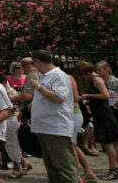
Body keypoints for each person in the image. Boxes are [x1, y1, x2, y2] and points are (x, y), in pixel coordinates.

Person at [25, 51, 78, 183]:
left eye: (34, 63)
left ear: (38, 61)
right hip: (45, 127)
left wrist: (37, 86)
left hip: (55, 127)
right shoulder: (45, 77)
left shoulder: (58, 76)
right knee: (52, 167)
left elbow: (59, 97)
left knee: (63, 166)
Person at [78, 61, 118, 180]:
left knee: (109, 143)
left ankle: (113, 169)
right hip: (101, 112)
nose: (83, 77)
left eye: (82, 74)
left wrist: (89, 96)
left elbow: (106, 95)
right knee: (113, 142)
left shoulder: (96, 80)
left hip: (104, 114)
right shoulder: (96, 80)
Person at [0, 73, 31, 179]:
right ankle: (24, 163)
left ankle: (17, 168)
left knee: (11, 144)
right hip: (4, 120)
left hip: (11, 119)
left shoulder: (10, 92)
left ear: (4, 83)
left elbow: (15, 107)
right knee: (9, 144)